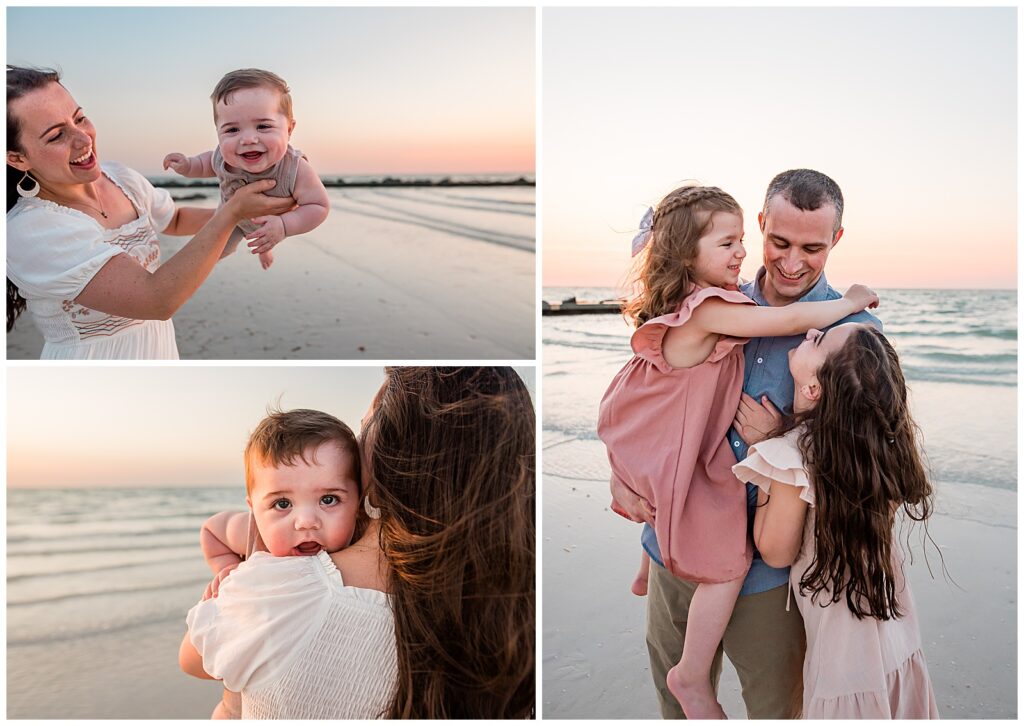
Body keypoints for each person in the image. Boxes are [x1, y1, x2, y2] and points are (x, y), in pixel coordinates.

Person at [597, 183, 878, 718]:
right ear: (760, 226)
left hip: (768, 577)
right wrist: (623, 475)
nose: (792, 262)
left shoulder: (852, 334)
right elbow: (656, 406)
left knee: (773, 710)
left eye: (812, 249)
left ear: (836, 239)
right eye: (778, 241)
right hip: (670, 549)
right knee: (677, 705)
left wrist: (782, 441)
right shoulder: (720, 299)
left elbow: (862, 461)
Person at [180, 367, 535, 719]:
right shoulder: (510, 608)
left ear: (384, 456)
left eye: (363, 427)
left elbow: (193, 660)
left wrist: (233, 583)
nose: (306, 521)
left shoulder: (273, 588)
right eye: (282, 503)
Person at [5, 66, 293, 359]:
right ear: (16, 157)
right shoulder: (30, 229)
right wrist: (231, 213)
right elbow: (156, 299)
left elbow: (176, 219)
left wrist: (262, 210)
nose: (83, 139)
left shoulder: (121, 178)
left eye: (80, 118)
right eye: (56, 136)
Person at [733, 322, 938, 718]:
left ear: (813, 389)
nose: (811, 332)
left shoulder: (796, 455)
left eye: (820, 340)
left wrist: (767, 450)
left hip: (846, 659)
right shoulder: (879, 452)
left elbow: (775, 552)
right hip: (893, 632)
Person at [196, 408, 364, 719]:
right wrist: (227, 568)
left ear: (358, 499)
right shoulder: (254, 534)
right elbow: (211, 531)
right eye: (282, 504)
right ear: (254, 509)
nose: (305, 522)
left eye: (329, 499)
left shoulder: (356, 557)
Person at [163, 68, 329, 270]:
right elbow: (206, 163)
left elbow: (318, 206)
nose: (248, 139)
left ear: (289, 129)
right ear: (217, 132)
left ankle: (265, 247)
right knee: (210, 253)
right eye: (232, 130)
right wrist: (188, 165)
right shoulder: (224, 158)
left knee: (262, 239)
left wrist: (285, 225)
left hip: (270, 226)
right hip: (229, 219)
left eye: (263, 126)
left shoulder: (295, 168)